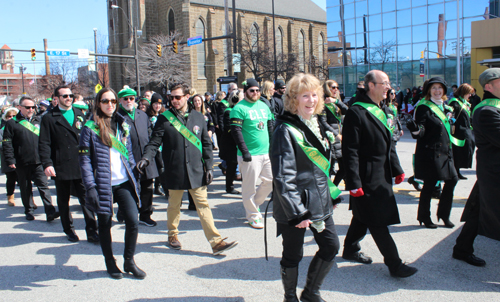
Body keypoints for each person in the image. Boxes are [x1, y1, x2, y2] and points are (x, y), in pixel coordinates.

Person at [137, 82, 238, 255]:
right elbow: (154, 142)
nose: (174, 100)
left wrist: (209, 167)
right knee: (174, 205)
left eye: (178, 97)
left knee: (203, 205)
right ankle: (172, 235)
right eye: (172, 97)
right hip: (174, 169)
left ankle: (216, 242)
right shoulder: (164, 118)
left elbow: (206, 145)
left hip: (196, 170)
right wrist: (146, 157)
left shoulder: (198, 117)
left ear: (186, 97)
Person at [271, 73, 341, 302]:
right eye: (305, 96)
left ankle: (311, 292)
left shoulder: (317, 123)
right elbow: (283, 177)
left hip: (319, 198)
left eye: (314, 95)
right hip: (295, 204)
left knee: (330, 246)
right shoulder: (285, 130)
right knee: (293, 254)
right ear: (293, 99)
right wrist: (297, 213)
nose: (311, 100)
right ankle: (289, 297)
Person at [342, 70, 417, 278]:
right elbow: (350, 151)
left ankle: (349, 249)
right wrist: (353, 182)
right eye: (384, 83)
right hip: (366, 176)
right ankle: (395, 264)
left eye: (388, 83)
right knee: (377, 219)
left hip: (381, 173)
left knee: (363, 216)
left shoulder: (381, 109)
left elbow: (388, 143)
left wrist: (397, 168)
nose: (388, 87)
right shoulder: (356, 112)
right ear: (370, 86)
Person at [79, 87, 145, 279]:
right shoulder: (89, 128)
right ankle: (110, 263)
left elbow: (129, 154)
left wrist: (135, 176)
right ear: (98, 104)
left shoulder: (122, 124)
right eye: (105, 101)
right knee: (105, 225)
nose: (110, 105)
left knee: (133, 221)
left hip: (123, 182)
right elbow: (84, 161)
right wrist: (90, 187)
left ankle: (129, 261)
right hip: (103, 184)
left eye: (113, 101)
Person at [38, 85, 98, 243]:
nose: (68, 98)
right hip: (61, 164)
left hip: (80, 164)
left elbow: (86, 137)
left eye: (70, 95)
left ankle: (92, 230)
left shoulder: (79, 114)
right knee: (64, 200)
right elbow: (44, 143)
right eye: (65, 96)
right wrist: (47, 164)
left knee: (86, 199)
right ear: (56, 98)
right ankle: (69, 230)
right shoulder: (49, 117)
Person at [453, 68, 500, 266]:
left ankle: (462, 249)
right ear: (488, 86)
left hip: (491, 171)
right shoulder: (487, 111)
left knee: (478, 210)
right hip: (494, 172)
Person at [407, 77, 458, 229]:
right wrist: (415, 128)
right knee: (429, 186)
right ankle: (424, 217)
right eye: (434, 88)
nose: (437, 91)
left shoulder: (445, 106)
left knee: (452, 180)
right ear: (429, 90)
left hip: (446, 153)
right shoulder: (424, 107)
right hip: (431, 153)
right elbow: (420, 131)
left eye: (440, 88)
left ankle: (443, 215)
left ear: (444, 90)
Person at [2, 96, 59, 222]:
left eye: (33, 107)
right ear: (20, 108)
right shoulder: (12, 123)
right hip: (22, 161)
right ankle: (29, 210)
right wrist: (10, 160)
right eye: (28, 107)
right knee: (25, 187)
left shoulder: (39, 120)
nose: (31, 109)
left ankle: (50, 211)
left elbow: (46, 140)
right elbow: (7, 143)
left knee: (43, 186)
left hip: (39, 161)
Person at [230, 79, 274, 229]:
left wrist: (273, 147)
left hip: (266, 153)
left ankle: (254, 204)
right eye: (252, 90)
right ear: (245, 91)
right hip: (250, 154)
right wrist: (244, 151)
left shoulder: (264, 106)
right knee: (249, 187)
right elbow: (236, 133)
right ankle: (253, 216)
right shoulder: (239, 108)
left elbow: (270, 127)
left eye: (257, 90)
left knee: (270, 181)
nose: (255, 93)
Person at [117, 86, 159, 227]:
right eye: (126, 99)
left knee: (147, 186)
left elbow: (149, 133)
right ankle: (124, 210)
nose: (129, 101)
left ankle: (145, 214)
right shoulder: (117, 116)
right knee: (129, 187)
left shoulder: (142, 114)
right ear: (120, 100)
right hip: (128, 158)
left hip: (145, 157)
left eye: (131, 98)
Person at [320, 80, 348, 189]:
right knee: (329, 168)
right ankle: (328, 191)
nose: (336, 89)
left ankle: (334, 188)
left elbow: (347, 111)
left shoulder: (337, 102)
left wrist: (337, 102)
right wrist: (336, 134)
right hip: (330, 138)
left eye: (337, 87)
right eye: (333, 87)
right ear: (327, 88)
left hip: (340, 139)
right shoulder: (323, 103)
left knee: (344, 167)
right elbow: (323, 122)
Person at [449, 83, 475, 180]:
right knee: (457, 152)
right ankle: (455, 171)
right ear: (464, 92)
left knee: (466, 149)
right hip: (458, 131)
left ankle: (458, 170)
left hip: (466, 130)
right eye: (469, 93)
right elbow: (451, 115)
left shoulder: (464, 103)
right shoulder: (454, 102)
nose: (470, 95)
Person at [222, 90, 243, 194]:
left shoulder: (241, 111)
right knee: (232, 165)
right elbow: (229, 128)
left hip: (240, 142)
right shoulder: (229, 111)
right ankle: (229, 187)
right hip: (231, 144)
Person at [0, 107, 19, 206]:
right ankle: (10, 197)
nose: (11, 118)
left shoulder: (21, 126)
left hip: (20, 157)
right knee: (11, 178)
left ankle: (29, 199)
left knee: (24, 179)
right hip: (7, 157)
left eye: (14, 116)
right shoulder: (2, 129)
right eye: (9, 116)